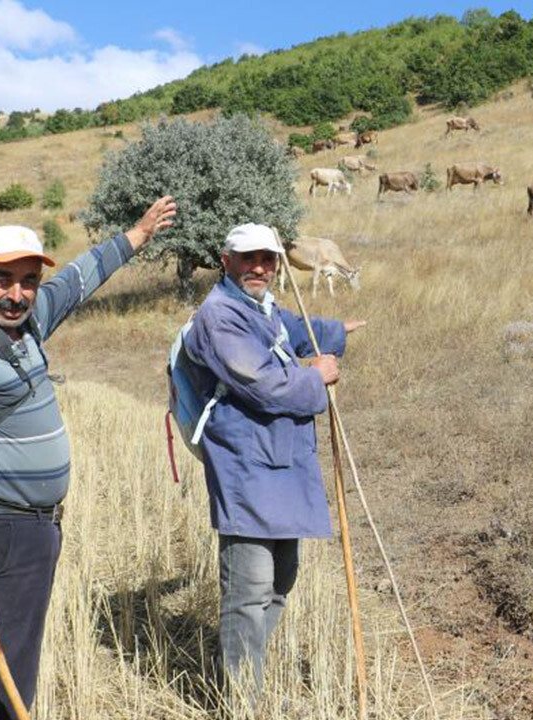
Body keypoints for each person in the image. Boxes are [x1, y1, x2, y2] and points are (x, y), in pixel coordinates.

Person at [0, 196, 177, 718]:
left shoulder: (26, 323)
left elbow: (79, 277)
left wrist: (138, 234)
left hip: (32, 531)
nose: (17, 293)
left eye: (28, 280)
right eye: (3, 278)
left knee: (11, 670)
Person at [181, 223, 365, 703]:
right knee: (249, 587)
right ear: (226, 261)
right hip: (245, 464)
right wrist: (316, 378)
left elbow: (286, 328)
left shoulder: (257, 306)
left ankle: (250, 683)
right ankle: (242, 700)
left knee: (281, 578)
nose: (259, 267)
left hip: (277, 460)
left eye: (267, 258)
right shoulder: (219, 316)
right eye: (248, 258)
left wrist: (333, 332)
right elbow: (261, 382)